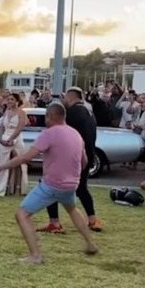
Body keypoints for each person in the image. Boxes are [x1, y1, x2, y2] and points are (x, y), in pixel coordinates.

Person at [0, 103, 99, 264]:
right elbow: (84, 162)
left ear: (49, 117)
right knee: (72, 209)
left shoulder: (49, 134)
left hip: (52, 185)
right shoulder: (75, 134)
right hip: (71, 185)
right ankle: (91, 244)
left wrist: (2, 166)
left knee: (21, 215)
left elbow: (26, 157)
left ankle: (36, 256)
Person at [37, 87, 103, 234]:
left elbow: (59, 130)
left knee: (49, 186)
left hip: (71, 158)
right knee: (81, 188)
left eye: (65, 98)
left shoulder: (72, 113)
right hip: (86, 155)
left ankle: (55, 222)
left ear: (70, 97)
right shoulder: (89, 112)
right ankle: (92, 220)